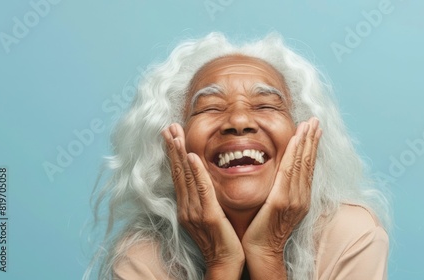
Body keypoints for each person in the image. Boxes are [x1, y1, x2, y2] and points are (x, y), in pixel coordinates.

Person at [85, 32, 390, 280]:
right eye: (210, 107)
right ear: (175, 143)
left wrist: (267, 255)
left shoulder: (349, 236)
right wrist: (221, 263)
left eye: (266, 105)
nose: (239, 121)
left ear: (301, 137)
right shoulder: (144, 257)